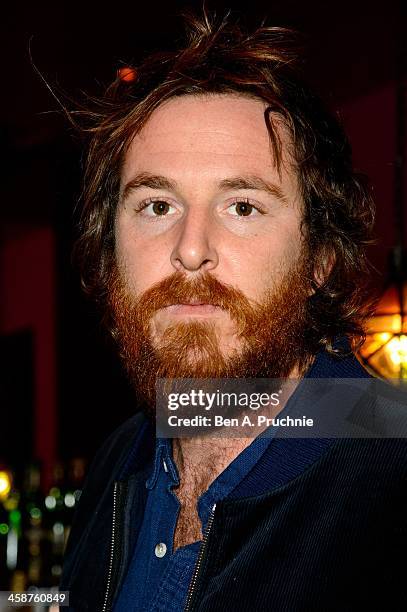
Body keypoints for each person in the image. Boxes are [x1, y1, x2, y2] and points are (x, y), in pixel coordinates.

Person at [60, 12, 407, 611]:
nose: (190, 249)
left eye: (242, 207)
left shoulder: (392, 470)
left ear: (321, 258)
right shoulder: (116, 468)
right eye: (157, 205)